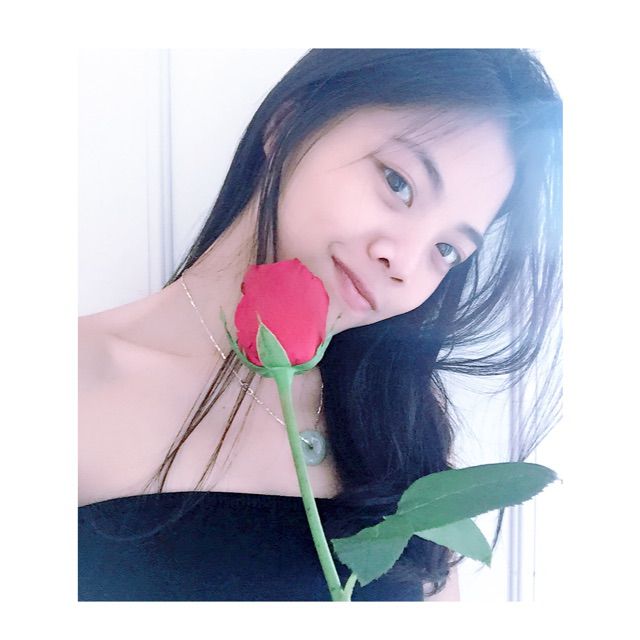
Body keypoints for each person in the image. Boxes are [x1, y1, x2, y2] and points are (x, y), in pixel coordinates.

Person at [78, 48, 562, 601]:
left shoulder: (400, 431)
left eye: (446, 249)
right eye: (399, 183)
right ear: (287, 125)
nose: (403, 263)